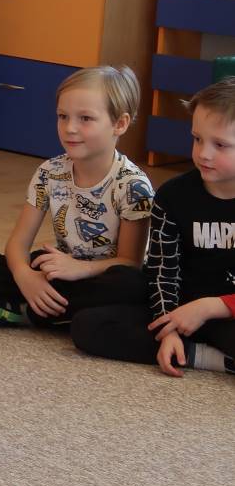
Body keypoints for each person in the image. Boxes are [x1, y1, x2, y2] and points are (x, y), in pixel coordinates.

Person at [0, 66, 153, 327]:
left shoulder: (133, 186)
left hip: (102, 277)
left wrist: (79, 268)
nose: (70, 128)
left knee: (132, 285)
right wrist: (25, 276)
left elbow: (130, 263)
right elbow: (18, 244)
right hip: (61, 272)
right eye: (63, 116)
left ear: (120, 123)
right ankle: (57, 312)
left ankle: (24, 312)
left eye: (85, 118)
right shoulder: (49, 171)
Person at [71, 78, 235, 376]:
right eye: (197, 139)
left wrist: (210, 307)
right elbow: (163, 271)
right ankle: (190, 351)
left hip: (227, 313)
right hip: (178, 311)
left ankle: (201, 356)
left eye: (220, 145)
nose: (203, 153)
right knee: (89, 326)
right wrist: (168, 329)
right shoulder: (173, 196)